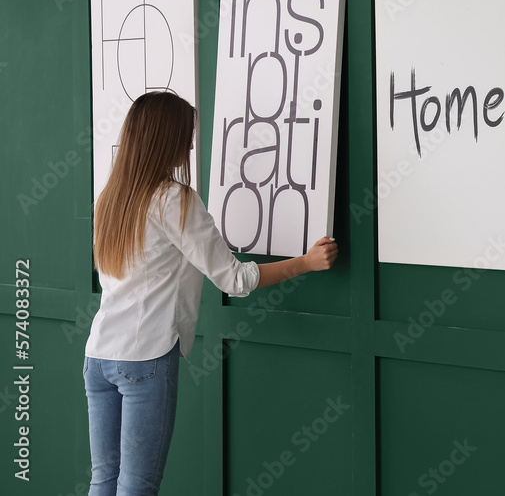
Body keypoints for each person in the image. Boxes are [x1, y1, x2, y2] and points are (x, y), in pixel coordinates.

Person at [82, 91, 338, 496]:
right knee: (136, 486)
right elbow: (233, 279)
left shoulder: (109, 199)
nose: (189, 145)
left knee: (104, 480)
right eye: (185, 135)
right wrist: (304, 263)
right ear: (164, 139)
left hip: (98, 356)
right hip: (144, 357)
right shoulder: (174, 200)